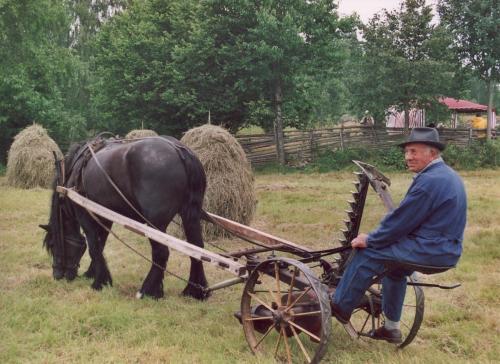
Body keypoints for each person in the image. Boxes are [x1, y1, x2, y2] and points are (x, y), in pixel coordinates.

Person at [331, 127, 467, 344]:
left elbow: (401, 222)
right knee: (394, 270)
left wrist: (370, 239)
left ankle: (340, 306)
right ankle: (391, 329)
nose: (408, 157)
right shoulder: (447, 175)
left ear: (432, 153)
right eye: (407, 152)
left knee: (368, 253)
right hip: (445, 251)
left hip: (431, 250)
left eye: (414, 152)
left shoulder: (430, 181)